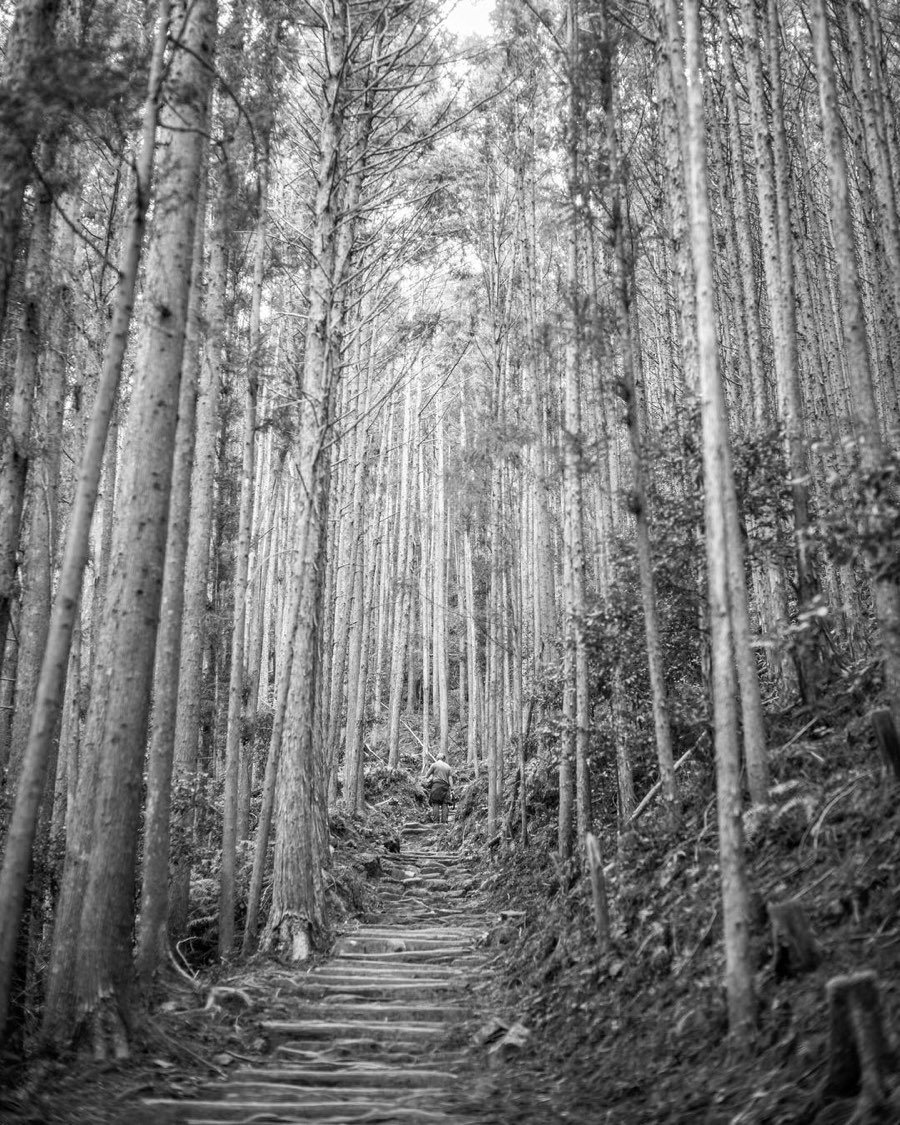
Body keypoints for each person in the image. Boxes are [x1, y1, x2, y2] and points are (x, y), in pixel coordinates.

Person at [422, 750, 453, 824]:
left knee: (435, 803)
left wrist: (423, 780)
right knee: (445, 804)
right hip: (445, 787)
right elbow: (450, 779)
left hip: (436, 786)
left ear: (437, 758)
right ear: (444, 759)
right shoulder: (448, 767)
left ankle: (436, 822)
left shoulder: (434, 765)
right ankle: (444, 822)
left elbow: (427, 775)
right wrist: (452, 789)